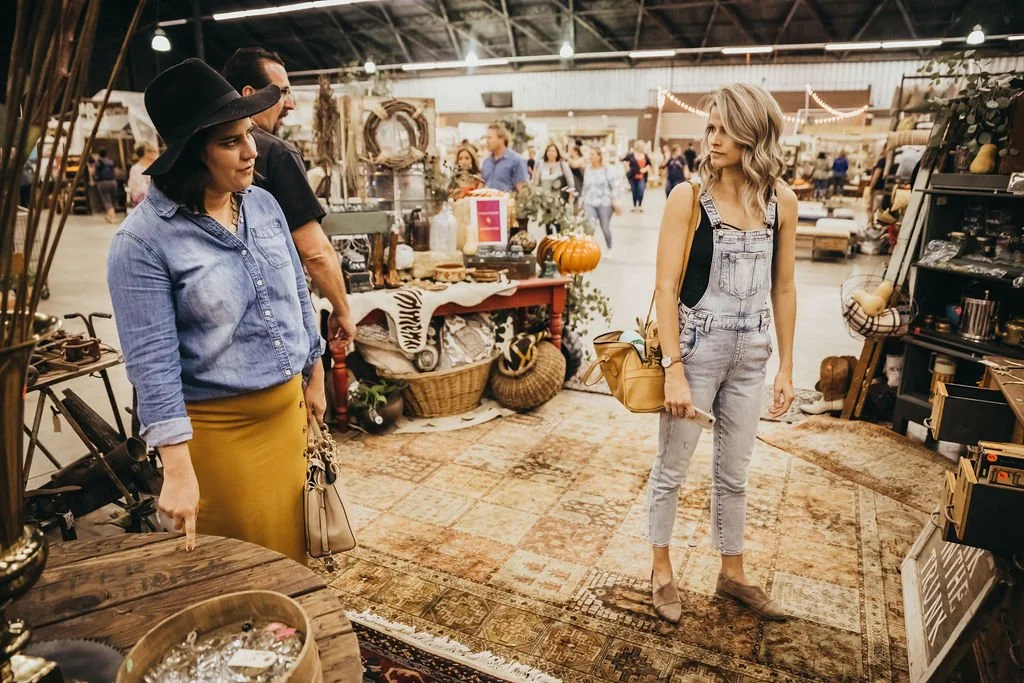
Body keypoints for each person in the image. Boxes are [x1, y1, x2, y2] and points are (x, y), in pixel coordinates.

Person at [107, 59, 325, 564]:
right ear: (189, 154)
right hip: (220, 438)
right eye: (230, 141)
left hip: (286, 419)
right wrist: (178, 469)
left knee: (293, 561)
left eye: (248, 133)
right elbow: (152, 364)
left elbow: (296, 293)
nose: (251, 151)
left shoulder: (263, 205)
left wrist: (313, 372)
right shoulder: (142, 243)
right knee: (242, 572)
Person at [650, 83, 797, 624]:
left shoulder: (782, 202)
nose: (712, 138)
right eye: (709, 127)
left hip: (752, 353)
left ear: (753, 133)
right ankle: (661, 569)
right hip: (696, 348)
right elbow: (666, 290)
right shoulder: (687, 199)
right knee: (672, 467)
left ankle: (732, 574)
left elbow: (784, 288)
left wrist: (786, 364)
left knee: (735, 472)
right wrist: (674, 371)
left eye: (724, 128)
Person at [222, 47, 355, 345]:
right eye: (282, 92)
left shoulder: (203, 155)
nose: (291, 104)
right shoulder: (276, 152)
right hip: (273, 317)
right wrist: (342, 308)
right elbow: (314, 251)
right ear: (249, 94)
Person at [581, 147, 618, 252]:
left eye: (592, 154)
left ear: (599, 156)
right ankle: (588, 249)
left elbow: (614, 186)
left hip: (604, 203)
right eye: (590, 154)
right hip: (590, 202)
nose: (590, 157)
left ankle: (609, 247)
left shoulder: (607, 169)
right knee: (589, 226)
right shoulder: (588, 169)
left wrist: (614, 200)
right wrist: (582, 200)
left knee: (605, 227)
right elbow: (585, 186)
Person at [481, 124, 529, 192]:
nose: (487, 141)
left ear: (501, 139)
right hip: (487, 201)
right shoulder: (486, 162)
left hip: (507, 201)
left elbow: (522, 190)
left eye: (489, 138)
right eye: (486, 138)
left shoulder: (516, 161)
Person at [126, 142, 158, 210]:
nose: (154, 153)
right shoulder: (136, 169)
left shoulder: (156, 166)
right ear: (145, 154)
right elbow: (140, 190)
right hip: (145, 204)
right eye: (151, 151)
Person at [622, 141, 650, 211]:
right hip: (632, 176)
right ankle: (634, 205)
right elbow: (623, 160)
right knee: (634, 190)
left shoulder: (645, 155)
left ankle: (640, 204)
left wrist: (645, 169)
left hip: (642, 176)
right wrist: (627, 167)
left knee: (641, 189)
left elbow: (649, 164)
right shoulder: (631, 155)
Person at [91, 148, 118, 223]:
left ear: (99, 154)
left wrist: (93, 180)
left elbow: (93, 173)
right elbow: (116, 172)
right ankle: (110, 215)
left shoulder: (98, 162)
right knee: (112, 200)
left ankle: (113, 218)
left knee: (107, 201)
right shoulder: (111, 162)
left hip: (102, 183)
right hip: (113, 182)